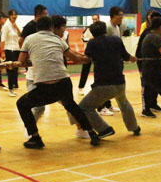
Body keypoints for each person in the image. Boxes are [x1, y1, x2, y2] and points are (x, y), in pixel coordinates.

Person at [14, 16, 101, 149]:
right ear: (51, 28)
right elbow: (74, 58)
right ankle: (92, 133)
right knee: (72, 106)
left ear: (37, 28)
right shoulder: (58, 39)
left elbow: (21, 61)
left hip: (45, 86)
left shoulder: (29, 39)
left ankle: (35, 137)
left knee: (22, 104)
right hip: (63, 82)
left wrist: (33, 60)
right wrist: (86, 59)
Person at [76, 21, 141, 137]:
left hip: (103, 85)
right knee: (124, 103)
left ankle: (104, 129)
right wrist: (133, 58)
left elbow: (86, 60)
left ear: (92, 33)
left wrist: (77, 57)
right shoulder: (116, 39)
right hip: (120, 83)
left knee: (84, 107)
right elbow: (126, 56)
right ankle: (134, 127)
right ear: (105, 30)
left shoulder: (92, 43)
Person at [20, 4, 48, 122]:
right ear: (39, 14)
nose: (47, 16)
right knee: (39, 105)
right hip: (34, 70)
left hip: (47, 73)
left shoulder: (45, 27)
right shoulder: (30, 26)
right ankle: (30, 126)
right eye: (45, 14)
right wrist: (27, 55)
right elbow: (21, 41)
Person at [1, 9, 21, 97]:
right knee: (10, 69)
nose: (14, 16)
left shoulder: (15, 25)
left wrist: (16, 27)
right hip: (9, 49)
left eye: (16, 14)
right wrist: (3, 52)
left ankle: (13, 85)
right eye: (13, 14)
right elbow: (3, 39)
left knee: (16, 69)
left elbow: (21, 35)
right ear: (9, 16)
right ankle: (10, 88)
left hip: (16, 49)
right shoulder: (6, 26)